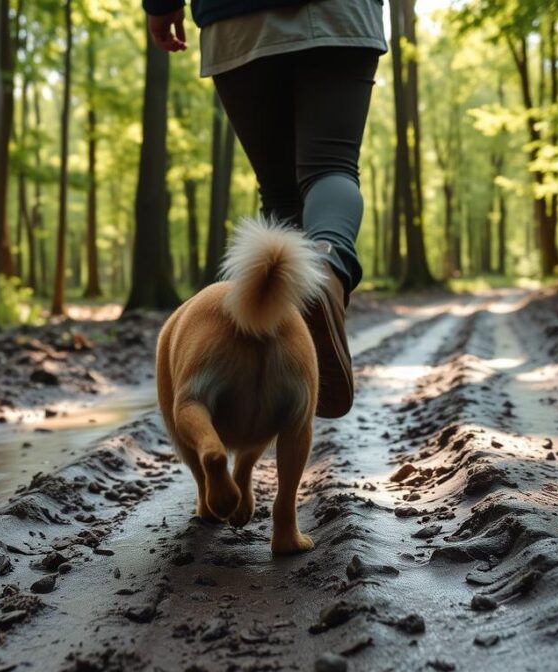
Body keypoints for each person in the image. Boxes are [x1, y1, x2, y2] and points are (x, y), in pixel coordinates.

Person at [142, 0, 386, 419]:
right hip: (339, 13)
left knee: (279, 193)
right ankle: (325, 270)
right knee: (331, 168)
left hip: (235, 16)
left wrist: (162, 6)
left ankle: (284, 341)